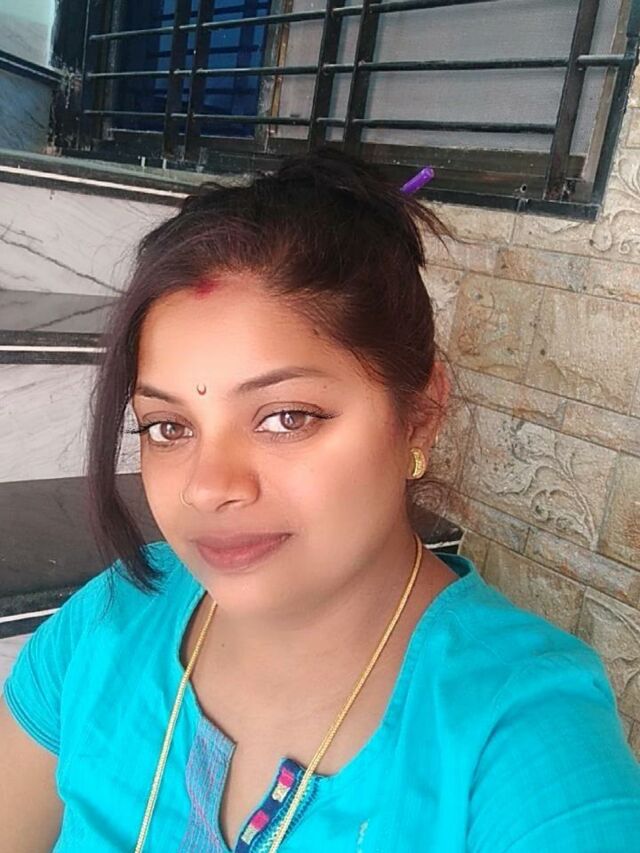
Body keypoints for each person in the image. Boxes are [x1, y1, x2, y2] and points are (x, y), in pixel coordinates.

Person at [1, 149, 639, 853]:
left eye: (287, 417)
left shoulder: (519, 740)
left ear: (420, 414)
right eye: (168, 427)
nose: (208, 486)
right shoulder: (109, 623)